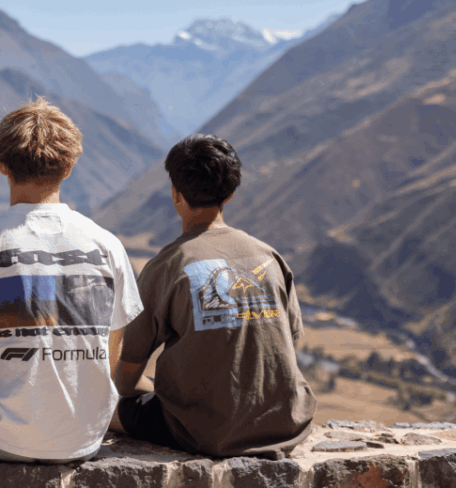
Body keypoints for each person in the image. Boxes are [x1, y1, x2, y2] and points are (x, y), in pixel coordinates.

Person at [0, 96, 143, 463]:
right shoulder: (109, 247)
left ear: (2, 165)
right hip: (86, 435)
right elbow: (105, 364)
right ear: (69, 167)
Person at [112, 134, 316, 459]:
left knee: (108, 408)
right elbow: (285, 346)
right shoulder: (270, 257)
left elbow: (124, 382)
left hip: (209, 434)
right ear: (231, 193)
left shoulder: (167, 266)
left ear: (175, 194)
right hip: (288, 423)